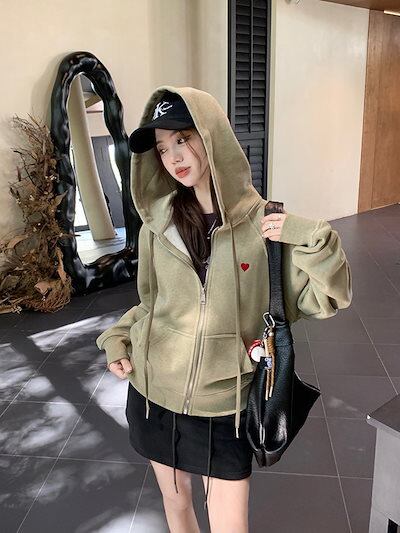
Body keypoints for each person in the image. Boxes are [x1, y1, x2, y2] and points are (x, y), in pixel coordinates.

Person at [96, 86, 352, 533]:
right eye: (162, 148)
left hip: (224, 407)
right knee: (176, 507)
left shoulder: (265, 226)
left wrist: (316, 239)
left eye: (183, 138)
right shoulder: (158, 225)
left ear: (212, 135)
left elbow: (328, 298)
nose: (173, 156)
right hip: (155, 394)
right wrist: (116, 338)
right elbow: (152, 304)